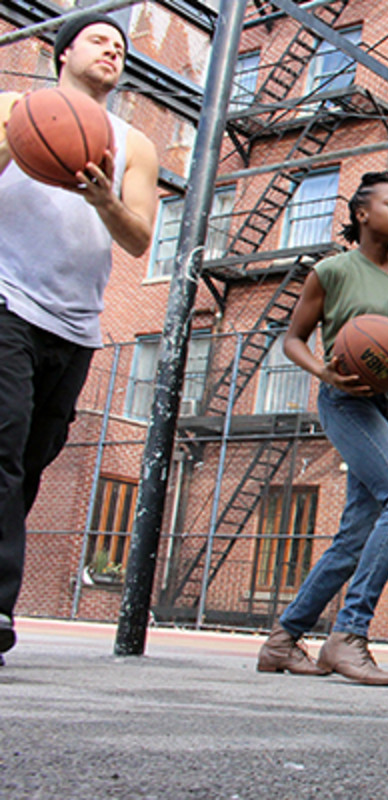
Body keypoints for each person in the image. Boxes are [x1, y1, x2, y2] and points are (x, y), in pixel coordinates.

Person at [0, 12, 159, 666]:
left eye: (121, 47)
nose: (113, 52)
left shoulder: (133, 144)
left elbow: (139, 238)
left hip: (74, 324)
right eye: (100, 40)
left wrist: (101, 197)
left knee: (29, 465)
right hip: (6, 298)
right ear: (63, 51)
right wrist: (19, 138)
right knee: (3, 448)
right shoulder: (13, 106)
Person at [255, 171, 388, 686]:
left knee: (356, 533)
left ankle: (283, 640)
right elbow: (293, 339)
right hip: (346, 399)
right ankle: (349, 633)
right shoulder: (332, 271)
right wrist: (322, 370)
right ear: (362, 213)